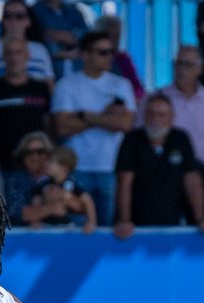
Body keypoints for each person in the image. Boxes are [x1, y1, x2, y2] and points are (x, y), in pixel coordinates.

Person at [51, 30, 135, 225]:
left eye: (111, 51)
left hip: (110, 167)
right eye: (102, 52)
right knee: (78, 229)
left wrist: (84, 115)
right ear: (85, 55)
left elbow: (125, 124)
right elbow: (62, 127)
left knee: (106, 229)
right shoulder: (67, 85)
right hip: (76, 168)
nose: (109, 57)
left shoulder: (121, 85)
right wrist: (106, 116)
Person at [113, 93, 204, 238]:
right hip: (136, 225)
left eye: (162, 115)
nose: (156, 119)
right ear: (144, 116)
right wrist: (124, 220)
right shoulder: (132, 140)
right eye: (151, 114)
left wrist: (200, 218)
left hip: (172, 220)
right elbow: (124, 182)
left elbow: (192, 180)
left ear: (172, 117)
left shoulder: (180, 139)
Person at [160, 46, 204, 219]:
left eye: (187, 64)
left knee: (201, 224)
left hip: (203, 172)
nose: (181, 69)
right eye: (178, 64)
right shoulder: (160, 98)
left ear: (200, 69)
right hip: (168, 172)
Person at [0, 36, 52, 171]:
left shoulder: (41, 88)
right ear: (3, 57)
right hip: (1, 165)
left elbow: (48, 127)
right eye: (9, 53)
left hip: (36, 166)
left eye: (18, 52)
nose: (14, 58)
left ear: (27, 55)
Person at [0, 0, 52, 87]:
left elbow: (50, 84)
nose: (13, 20)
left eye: (19, 16)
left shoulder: (40, 49)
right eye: (8, 16)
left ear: (29, 21)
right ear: (2, 21)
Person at [24, 145, 96, 232]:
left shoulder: (72, 184)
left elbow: (87, 200)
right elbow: (36, 200)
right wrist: (35, 220)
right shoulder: (44, 184)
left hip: (68, 227)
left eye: (51, 162)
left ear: (64, 168)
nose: (46, 164)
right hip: (46, 226)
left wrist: (91, 222)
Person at [4, 130, 53, 225]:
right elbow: (16, 214)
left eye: (40, 151)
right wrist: (51, 209)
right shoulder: (15, 180)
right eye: (29, 152)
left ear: (48, 154)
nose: (35, 156)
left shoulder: (58, 177)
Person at [31, 0, 87, 79]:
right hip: (50, 72)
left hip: (77, 68)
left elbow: (86, 37)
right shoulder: (34, 11)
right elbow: (38, 40)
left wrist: (63, 36)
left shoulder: (74, 11)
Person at [94, 15, 143, 100]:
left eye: (118, 35)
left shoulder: (123, 59)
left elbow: (138, 88)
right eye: (111, 36)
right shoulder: (88, 59)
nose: (116, 40)